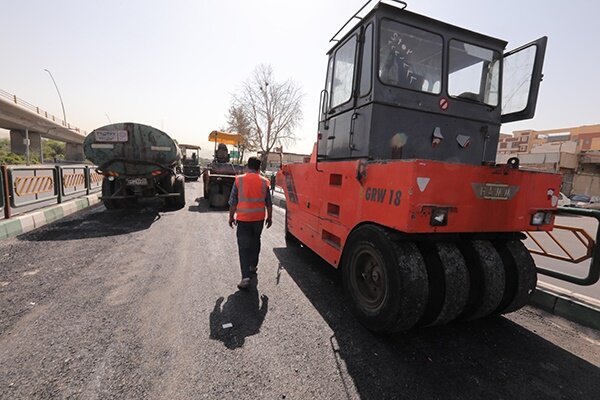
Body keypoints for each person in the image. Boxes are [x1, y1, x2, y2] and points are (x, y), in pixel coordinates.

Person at [228, 157, 273, 290]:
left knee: (243, 248)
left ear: (247, 166)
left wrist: (231, 217)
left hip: (243, 219)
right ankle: (253, 266)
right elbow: (269, 203)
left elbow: (233, 202)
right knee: (256, 242)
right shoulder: (265, 182)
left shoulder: (239, 180)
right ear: (259, 168)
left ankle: (245, 278)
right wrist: (269, 218)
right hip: (258, 219)